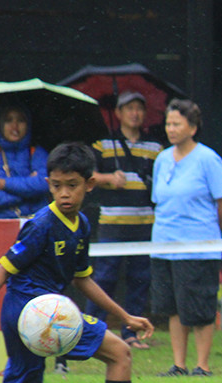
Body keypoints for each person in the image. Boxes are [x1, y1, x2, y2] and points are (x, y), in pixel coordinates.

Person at [0, 142, 154, 383]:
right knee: (121, 354)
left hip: (35, 312)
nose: (64, 194)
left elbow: (83, 279)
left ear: (89, 184)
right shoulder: (40, 225)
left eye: (72, 186)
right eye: (57, 186)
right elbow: (4, 268)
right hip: (36, 312)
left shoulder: (81, 226)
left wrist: (125, 316)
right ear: (48, 184)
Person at [151, 99, 222, 377]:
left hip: (198, 247)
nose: (171, 129)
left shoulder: (208, 159)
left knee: (199, 306)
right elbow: (158, 201)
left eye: (177, 124)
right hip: (164, 244)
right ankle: (179, 364)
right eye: (168, 123)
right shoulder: (162, 159)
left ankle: (202, 364)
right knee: (174, 307)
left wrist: (210, 230)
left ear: (193, 127)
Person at [87, 91, 163, 349]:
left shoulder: (155, 147)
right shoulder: (103, 145)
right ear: (118, 113)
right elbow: (87, 176)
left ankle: (130, 332)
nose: (135, 113)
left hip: (144, 224)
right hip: (112, 224)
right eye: (128, 108)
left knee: (140, 279)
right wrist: (109, 179)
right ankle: (93, 332)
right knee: (104, 278)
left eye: (139, 108)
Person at [0, 104, 49, 219]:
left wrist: (3, 184)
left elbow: (45, 183)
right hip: (2, 226)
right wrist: (30, 189)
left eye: (21, 120)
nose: (14, 126)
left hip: (35, 224)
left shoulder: (36, 153)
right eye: (8, 120)